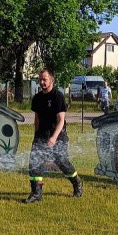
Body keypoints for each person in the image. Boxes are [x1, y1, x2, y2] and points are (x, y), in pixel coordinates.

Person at [25, 69, 83, 203]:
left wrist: (53, 138)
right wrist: (36, 137)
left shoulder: (58, 96)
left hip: (58, 134)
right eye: (40, 79)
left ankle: (77, 183)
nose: (42, 82)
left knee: (62, 162)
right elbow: (37, 119)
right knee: (35, 163)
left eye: (44, 79)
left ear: (52, 80)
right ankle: (36, 194)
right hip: (41, 134)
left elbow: (61, 120)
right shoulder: (37, 98)